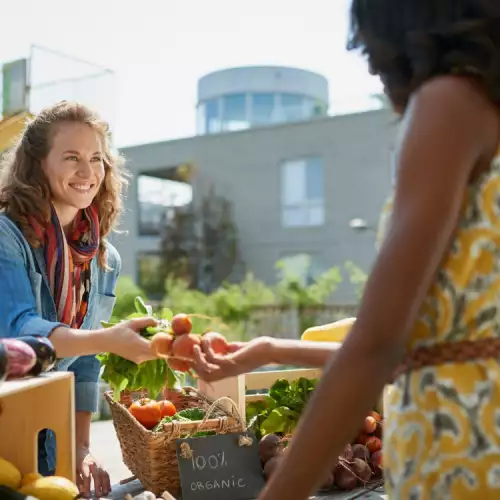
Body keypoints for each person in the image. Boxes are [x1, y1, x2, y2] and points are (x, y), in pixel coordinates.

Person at [192, 1, 500, 498]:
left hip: (463, 447)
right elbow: (440, 338)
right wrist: (271, 349)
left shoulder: (449, 102)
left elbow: (378, 345)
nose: (376, 70)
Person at [0, 101, 158, 498]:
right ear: (37, 164)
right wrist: (109, 339)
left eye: (96, 158)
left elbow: (85, 364)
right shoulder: (6, 237)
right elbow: (23, 335)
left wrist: (81, 447)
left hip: (49, 437)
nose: (87, 172)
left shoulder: (103, 258)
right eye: (71, 157)